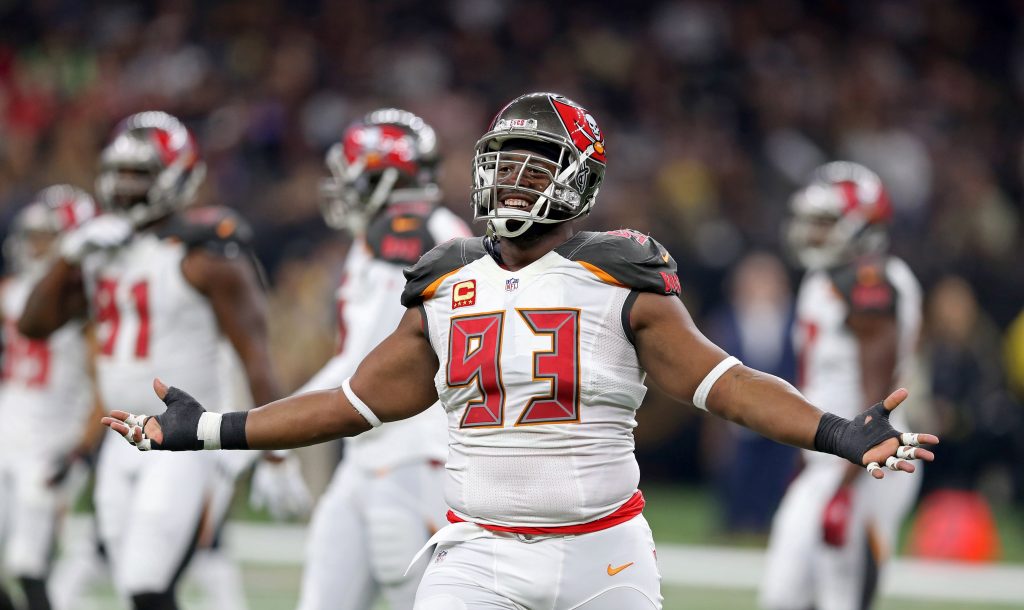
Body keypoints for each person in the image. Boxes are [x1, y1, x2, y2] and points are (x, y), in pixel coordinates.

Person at [102, 93, 938, 610]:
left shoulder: (619, 272)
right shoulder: (442, 279)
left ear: (578, 180)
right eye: (503, 166)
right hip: (479, 553)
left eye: (535, 167)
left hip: (604, 553)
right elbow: (349, 404)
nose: (512, 184)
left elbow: (726, 382)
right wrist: (211, 428)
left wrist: (837, 432)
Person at [18, 111, 282, 610]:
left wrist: (276, 452)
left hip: (186, 436)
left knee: (145, 582)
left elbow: (257, 358)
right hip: (121, 438)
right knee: (129, 583)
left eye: (139, 174)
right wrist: (69, 258)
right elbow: (33, 325)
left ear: (176, 175)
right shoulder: (100, 250)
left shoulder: (207, 253)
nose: (125, 185)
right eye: (120, 172)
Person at [294, 108, 472, 610]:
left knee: (417, 598)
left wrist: (270, 433)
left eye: (351, 173)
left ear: (386, 175)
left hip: (417, 451)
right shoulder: (389, 232)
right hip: (369, 451)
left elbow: (364, 363)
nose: (341, 187)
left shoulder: (414, 232)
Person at [759, 162, 924, 610]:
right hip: (834, 457)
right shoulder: (827, 277)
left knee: (841, 598)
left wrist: (848, 484)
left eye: (825, 221)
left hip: (867, 458)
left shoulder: (868, 281)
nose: (811, 231)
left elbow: (878, 405)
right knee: (784, 595)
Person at [0, 186, 100, 610]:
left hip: (52, 442)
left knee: (28, 564)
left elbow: (104, 387)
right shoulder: (10, 291)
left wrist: (80, 450)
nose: (35, 245)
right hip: (8, 429)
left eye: (47, 236)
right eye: (34, 234)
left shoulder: (87, 305)